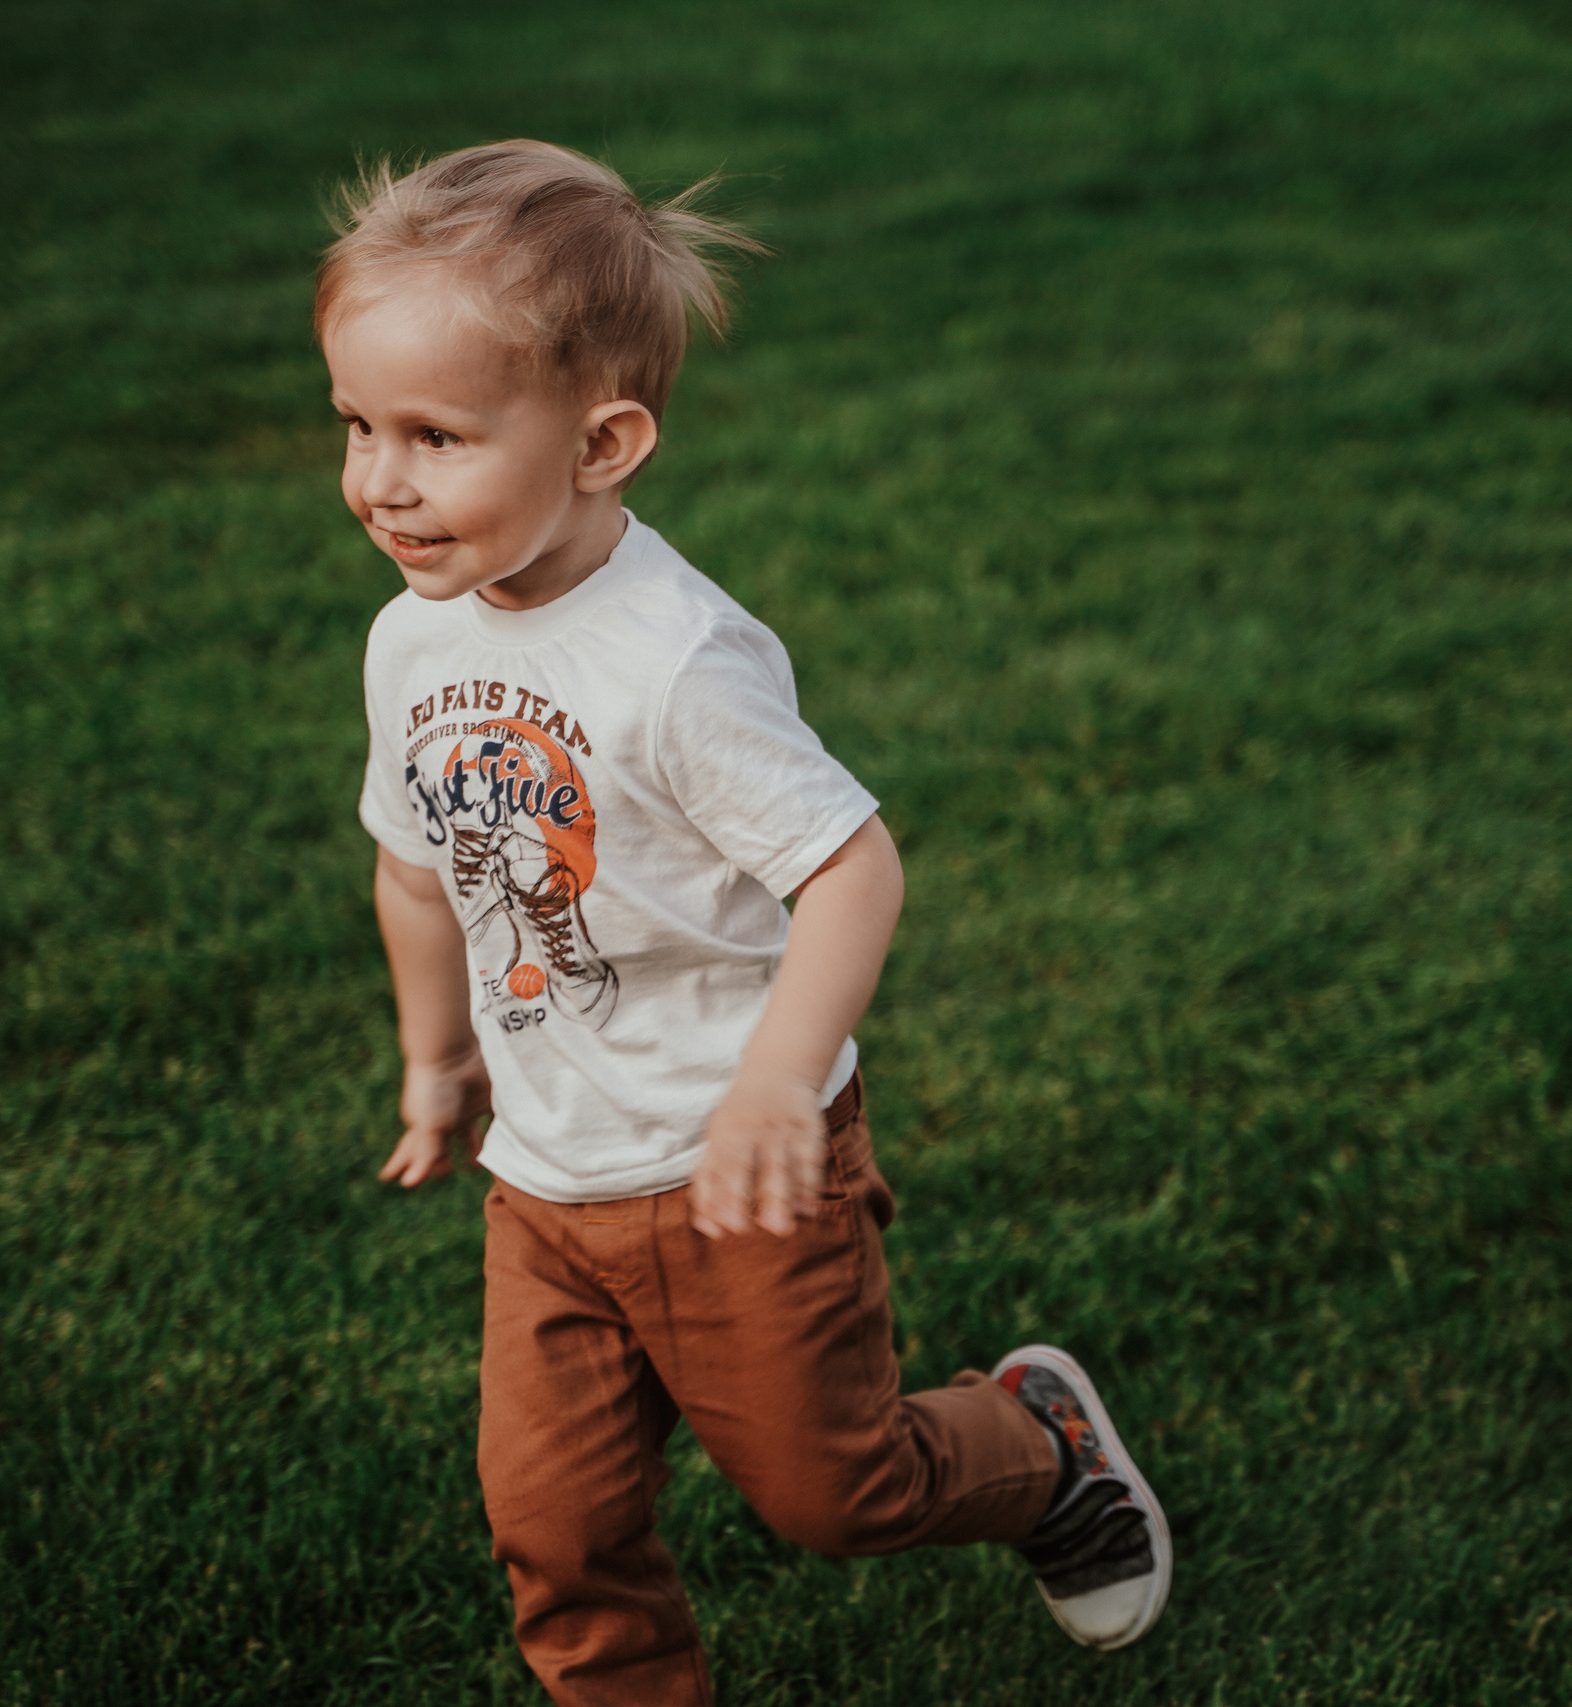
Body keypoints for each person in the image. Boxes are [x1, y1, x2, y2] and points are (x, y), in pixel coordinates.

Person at [329, 139, 1171, 1705]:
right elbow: (412, 863)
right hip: (548, 1186)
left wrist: (782, 1083)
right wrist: (437, 1058)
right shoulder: (411, 639)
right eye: (357, 426)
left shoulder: (675, 661)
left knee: (838, 1494)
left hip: (739, 1170)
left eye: (435, 436)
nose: (381, 480)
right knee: (555, 1528)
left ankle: (1036, 1445)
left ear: (605, 443)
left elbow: (851, 866)